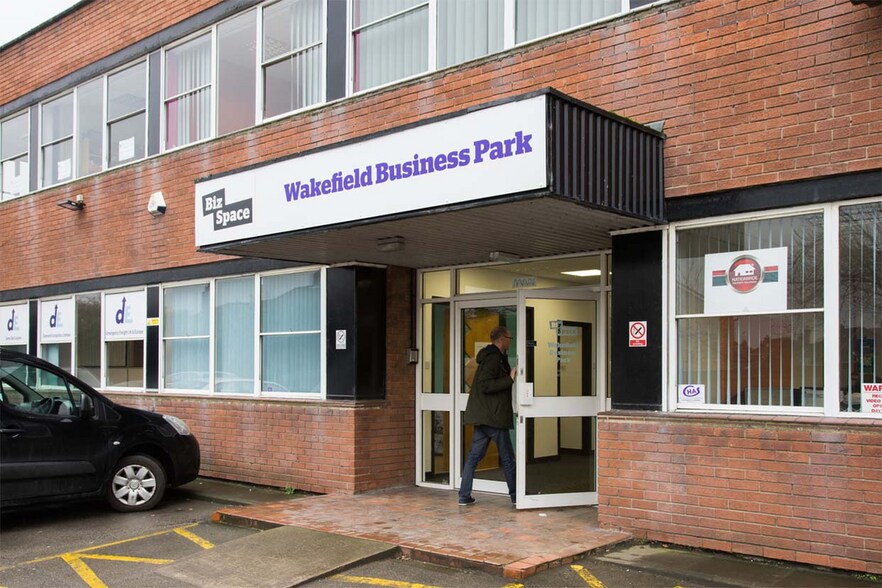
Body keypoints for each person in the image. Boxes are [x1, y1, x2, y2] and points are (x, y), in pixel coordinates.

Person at [458, 325, 517, 506]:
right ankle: (516, 496)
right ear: (502, 339)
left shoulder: (492, 357)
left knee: (474, 457)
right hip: (493, 417)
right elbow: (485, 385)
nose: (510, 341)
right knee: (507, 458)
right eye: (509, 338)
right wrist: (510, 378)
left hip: (485, 417)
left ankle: (464, 496)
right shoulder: (493, 358)